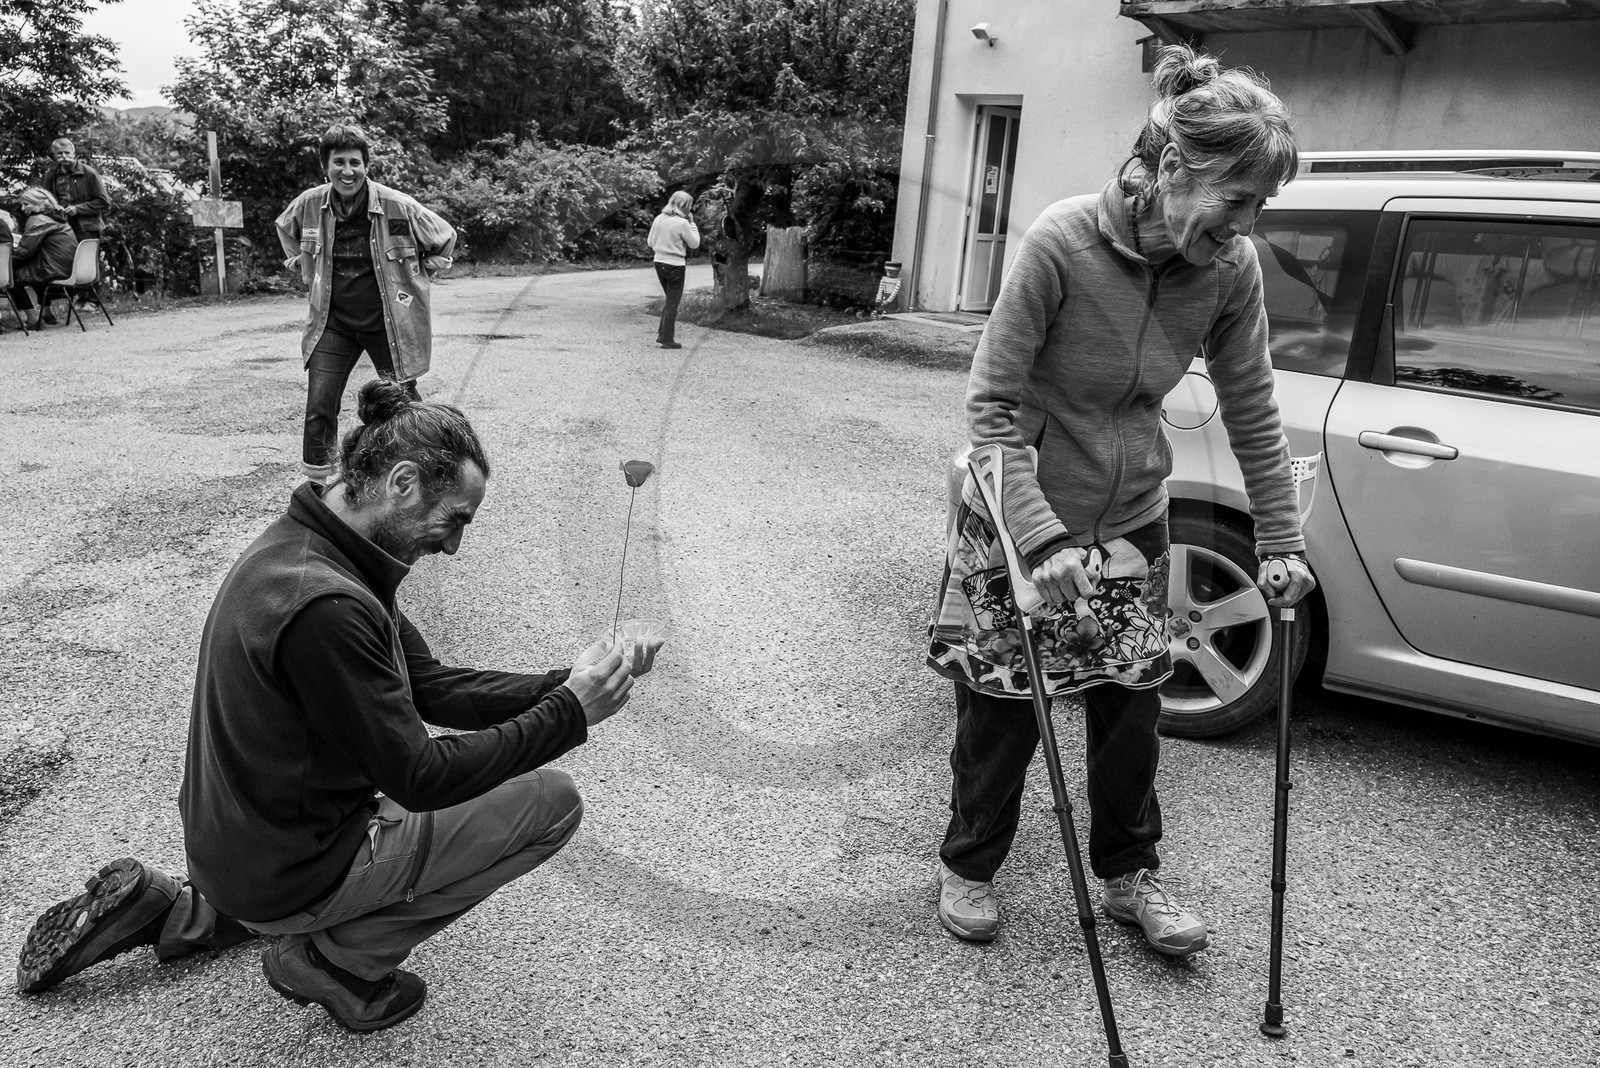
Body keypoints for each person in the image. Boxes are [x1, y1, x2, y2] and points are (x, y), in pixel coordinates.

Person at [15, 380, 661, 1032]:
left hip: (237, 850)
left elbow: (430, 683)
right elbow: (418, 776)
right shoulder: (328, 607)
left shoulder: (317, 545)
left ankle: (182, 912)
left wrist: (571, 682)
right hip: (283, 871)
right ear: (403, 482)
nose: (454, 545)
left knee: (408, 784)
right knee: (550, 803)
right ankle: (337, 962)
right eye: (456, 520)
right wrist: (570, 714)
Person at [926, 44, 1317, 957]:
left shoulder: (1228, 271)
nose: (1248, 225)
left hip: (1135, 513)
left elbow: (1253, 405)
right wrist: (1040, 535)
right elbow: (990, 407)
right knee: (1005, 710)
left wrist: (1281, 542)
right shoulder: (1061, 242)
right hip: (1023, 513)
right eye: (1238, 200)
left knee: (1131, 706)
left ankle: (1129, 878)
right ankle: (970, 866)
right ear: (1173, 169)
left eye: (1263, 206)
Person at [276, 124, 457, 484]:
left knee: (403, 404)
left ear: (366, 165)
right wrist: (301, 261)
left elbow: (444, 236)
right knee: (319, 406)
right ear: (325, 166)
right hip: (332, 322)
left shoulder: (396, 205)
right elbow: (285, 227)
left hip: (387, 323)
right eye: (339, 162)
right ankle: (316, 487)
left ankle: (426, 471)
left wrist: (421, 272)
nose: (348, 171)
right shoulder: (310, 204)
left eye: (355, 162)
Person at [10, 188, 78, 329]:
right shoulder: (56, 216)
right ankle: (47, 313)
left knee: (11, 277)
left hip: (56, 269)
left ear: (39, 202)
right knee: (32, 268)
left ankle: (34, 319)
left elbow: (25, 251)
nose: (22, 209)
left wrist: (6, 265)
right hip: (70, 266)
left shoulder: (38, 220)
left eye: (26, 204)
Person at [647, 190, 700, 349]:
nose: (691, 208)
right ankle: (667, 339)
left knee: (670, 301)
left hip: (659, 263)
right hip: (675, 265)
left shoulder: (659, 219)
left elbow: (650, 242)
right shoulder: (682, 223)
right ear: (685, 206)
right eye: (690, 205)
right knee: (672, 303)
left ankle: (662, 334)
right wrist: (692, 224)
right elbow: (694, 243)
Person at [43, 138, 112, 242]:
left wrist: (78, 209)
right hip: (62, 226)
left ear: (74, 153)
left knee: (84, 257)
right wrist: (57, 207)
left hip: (87, 228)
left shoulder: (89, 173)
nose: (64, 157)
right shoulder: (52, 174)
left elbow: (104, 202)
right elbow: (46, 198)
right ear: (54, 155)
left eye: (67, 153)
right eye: (60, 154)